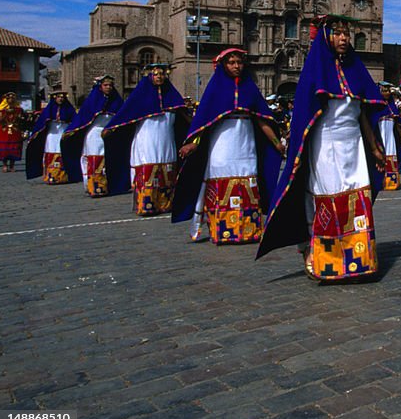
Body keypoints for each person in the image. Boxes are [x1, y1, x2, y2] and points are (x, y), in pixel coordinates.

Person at [258, 16, 386, 282]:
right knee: (326, 196)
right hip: (325, 144)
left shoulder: (355, 69)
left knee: (357, 196)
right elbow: (306, 115)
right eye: (338, 33)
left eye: (346, 34)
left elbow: (362, 112)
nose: (343, 39)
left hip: (353, 145)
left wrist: (373, 146)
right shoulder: (314, 72)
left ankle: (358, 258)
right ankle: (318, 254)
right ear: (326, 37)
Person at [172, 49, 284, 244]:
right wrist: (193, 143)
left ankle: (249, 229)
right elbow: (205, 123)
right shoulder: (215, 90)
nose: (236, 66)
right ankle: (223, 230)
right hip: (222, 145)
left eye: (239, 62)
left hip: (245, 143)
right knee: (222, 181)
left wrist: (276, 143)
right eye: (231, 62)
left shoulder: (250, 89)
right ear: (224, 65)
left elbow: (262, 121)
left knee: (248, 180)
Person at [102, 64, 191, 215]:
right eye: (156, 74)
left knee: (167, 168)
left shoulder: (172, 96)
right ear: (149, 76)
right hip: (146, 140)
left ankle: (165, 203)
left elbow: (184, 117)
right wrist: (111, 128)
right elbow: (125, 114)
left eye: (162, 74)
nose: (159, 77)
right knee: (148, 167)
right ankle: (147, 204)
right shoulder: (139, 97)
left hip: (167, 140)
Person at [62, 76, 124, 197]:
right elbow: (81, 118)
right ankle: (95, 186)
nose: (108, 88)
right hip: (94, 134)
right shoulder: (92, 101)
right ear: (100, 87)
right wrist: (70, 130)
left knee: (109, 160)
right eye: (106, 85)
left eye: (110, 85)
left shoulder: (116, 101)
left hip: (110, 134)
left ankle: (110, 185)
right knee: (96, 159)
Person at [26, 90, 79, 184]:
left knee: (62, 153)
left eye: (62, 97)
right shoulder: (49, 109)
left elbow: (75, 121)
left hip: (62, 133)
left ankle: (63, 176)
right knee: (51, 152)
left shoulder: (69, 108)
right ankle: (51, 175)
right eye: (59, 97)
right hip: (52, 134)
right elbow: (41, 123)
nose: (61, 99)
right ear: (55, 98)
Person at [377, 81, 401, 190]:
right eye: (384, 91)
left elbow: (398, 120)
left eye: (388, 91)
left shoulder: (392, 104)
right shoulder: (377, 104)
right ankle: (379, 181)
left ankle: (391, 182)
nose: (386, 93)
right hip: (380, 131)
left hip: (390, 132)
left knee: (391, 152)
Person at [0, 92, 24, 172]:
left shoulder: (18, 110)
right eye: (9, 99)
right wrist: (4, 114)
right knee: (4, 148)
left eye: (12, 99)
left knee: (13, 148)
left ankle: (12, 165)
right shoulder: (1, 110)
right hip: (4, 131)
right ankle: (4, 165)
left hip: (14, 131)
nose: (11, 100)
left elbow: (22, 120)